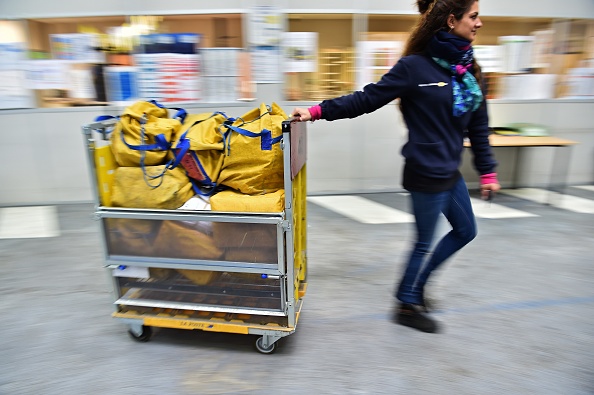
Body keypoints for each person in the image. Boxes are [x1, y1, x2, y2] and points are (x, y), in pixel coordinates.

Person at [292, 0, 500, 333]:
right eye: (473, 16)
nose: (479, 23)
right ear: (451, 20)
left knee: (466, 231)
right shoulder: (414, 67)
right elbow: (366, 99)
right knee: (423, 242)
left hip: (450, 171)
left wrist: (488, 171)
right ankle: (406, 303)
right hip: (424, 172)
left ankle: (417, 289)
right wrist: (317, 111)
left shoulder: (469, 68)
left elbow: (479, 124)